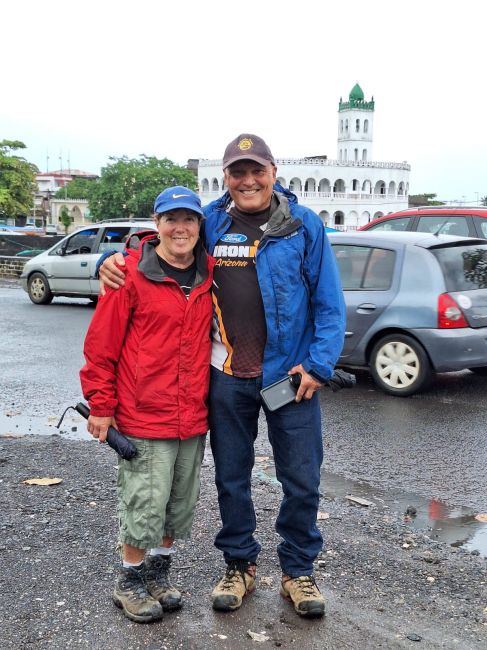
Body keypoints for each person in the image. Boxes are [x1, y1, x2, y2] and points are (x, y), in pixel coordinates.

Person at [98, 134, 345, 619]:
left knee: (302, 479)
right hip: (227, 375)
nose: (248, 180)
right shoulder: (212, 221)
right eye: (238, 171)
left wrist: (318, 364)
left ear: (274, 171)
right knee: (232, 478)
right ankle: (239, 565)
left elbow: (329, 303)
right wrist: (120, 258)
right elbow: (168, 238)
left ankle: (297, 571)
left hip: (290, 378)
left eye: (257, 170)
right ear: (226, 178)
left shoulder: (303, 226)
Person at [80, 186, 214, 624]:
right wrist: (100, 406)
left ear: (199, 226)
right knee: (144, 503)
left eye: (189, 219)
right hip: (143, 413)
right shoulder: (128, 275)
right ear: (155, 226)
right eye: (171, 219)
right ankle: (128, 580)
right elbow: (101, 347)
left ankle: (158, 574)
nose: (180, 228)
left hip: (191, 415)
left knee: (177, 505)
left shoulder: (209, 273)